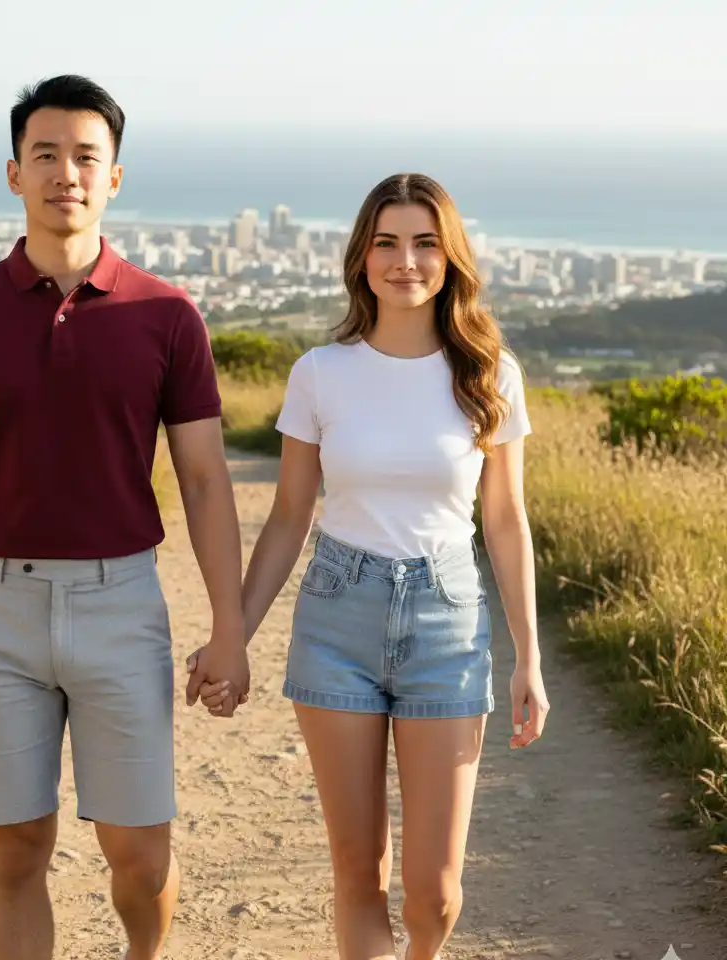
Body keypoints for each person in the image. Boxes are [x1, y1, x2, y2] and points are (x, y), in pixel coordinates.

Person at [0, 74, 249, 960]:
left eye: (87, 156)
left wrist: (230, 627)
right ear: (14, 173)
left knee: (139, 855)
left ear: (114, 178)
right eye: (45, 154)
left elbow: (203, 479)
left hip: (120, 603)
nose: (66, 173)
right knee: (17, 847)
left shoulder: (167, 315)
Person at [189, 172, 550, 960]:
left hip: (447, 623)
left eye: (425, 242)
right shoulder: (322, 372)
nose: (406, 260)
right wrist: (233, 635)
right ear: (362, 257)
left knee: (437, 893)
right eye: (387, 242)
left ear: (450, 256)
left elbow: (505, 520)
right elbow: (289, 517)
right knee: (358, 872)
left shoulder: (490, 374)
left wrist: (528, 657)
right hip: (337, 619)